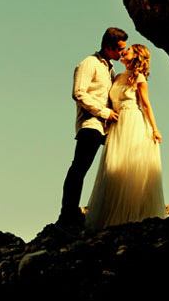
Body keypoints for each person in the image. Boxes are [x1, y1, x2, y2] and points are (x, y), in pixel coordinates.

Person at [84, 43, 168, 230]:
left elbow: (146, 105)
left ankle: (131, 214)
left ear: (136, 55)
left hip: (133, 121)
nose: (123, 51)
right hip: (116, 124)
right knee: (114, 165)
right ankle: (110, 213)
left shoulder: (139, 78)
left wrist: (155, 129)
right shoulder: (118, 76)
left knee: (129, 165)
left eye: (128, 50)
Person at [57, 27, 128, 228]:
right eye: (119, 49)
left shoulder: (109, 68)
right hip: (91, 124)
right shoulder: (89, 64)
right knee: (79, 168)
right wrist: (104, 113)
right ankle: (67, 213)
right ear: (108, 47)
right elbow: (79, 93)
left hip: (105, 128)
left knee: (115, 167)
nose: (122, 53)